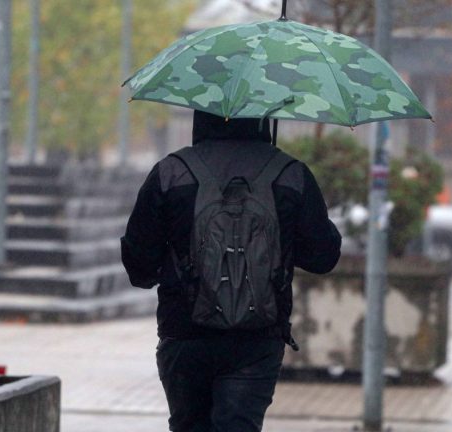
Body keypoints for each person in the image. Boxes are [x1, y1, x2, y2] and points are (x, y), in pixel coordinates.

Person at [120, 110, 342, 432]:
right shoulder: (291, 174)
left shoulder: (171, 172)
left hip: (185, 334)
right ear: (263, 115)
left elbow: (139, 265)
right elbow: (323, 257)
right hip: (257, 338)